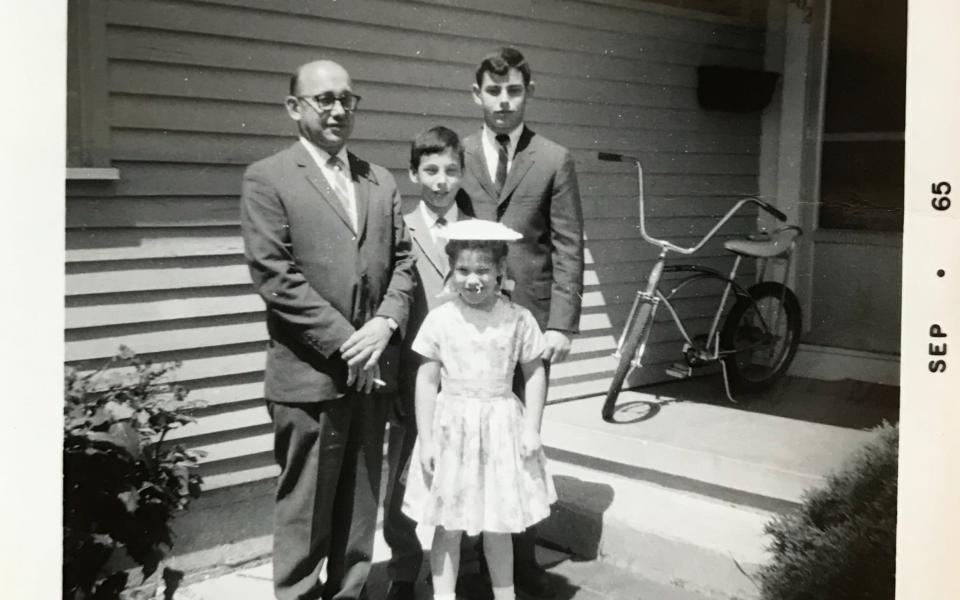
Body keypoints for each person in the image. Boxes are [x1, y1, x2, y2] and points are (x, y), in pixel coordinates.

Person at [240, 59, 415, 600]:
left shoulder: (378, 179)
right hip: (310, 379)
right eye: (325, 100)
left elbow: (404, 262)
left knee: (359, 512)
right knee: (306, 514)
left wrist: (386, 323)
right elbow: (276, 276)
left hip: (372, 378)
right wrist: (349, 344)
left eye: (347, 99)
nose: (339, 109)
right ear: (295, 108)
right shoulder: (267, 178)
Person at [459, 47, 585, 598]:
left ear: (527, 92)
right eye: (493, 91)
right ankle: (468, 560)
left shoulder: (553, 158)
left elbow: (568, 245)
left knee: (522, 443)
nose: (503, 102)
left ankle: (522, 560)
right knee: (466, 437)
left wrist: (561, 323)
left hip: (528, 326)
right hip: (467, 321)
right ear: (477, 95)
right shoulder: (456, 154)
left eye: (513, 91)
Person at [402, 219, 557, 600]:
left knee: (498, 522)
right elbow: (426, 380)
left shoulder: (518, 318)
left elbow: (534, 373)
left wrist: (532, 428)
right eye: (464, 270)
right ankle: (444, 596)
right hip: (452, 428)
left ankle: (505, 595)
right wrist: (426, 439)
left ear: (501, 271)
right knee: (448, 524)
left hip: (501, 425)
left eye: (484, 270)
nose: (474, 280)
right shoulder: (441, 319)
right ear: (452, 271)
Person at [382, 126, 476, 600]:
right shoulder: (400, 227)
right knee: (404, 476)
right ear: (414, 172)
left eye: (451, 170)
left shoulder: (476, 229)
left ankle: (465, 568)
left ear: (463, 172)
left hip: (468, 379)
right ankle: (403, 566)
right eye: (431, 170)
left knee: (468, 474)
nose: (441, 181)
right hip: (414, 378)